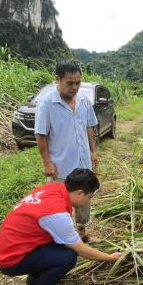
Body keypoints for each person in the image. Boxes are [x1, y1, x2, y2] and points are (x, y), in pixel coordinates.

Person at [0, 168, 121, 285]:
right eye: (89, 197)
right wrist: (110, 258)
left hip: (12, 247)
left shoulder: (53, 189)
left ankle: (37, 278)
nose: (88, 201)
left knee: (63, 246)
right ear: (79, 193)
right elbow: (82, 251)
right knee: (68, 256)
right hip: (11, 260)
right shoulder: (56, 214)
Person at [34, 60, 99, 234]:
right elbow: (41, 135)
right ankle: (64, 236)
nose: (75, 87)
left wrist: (93, 152)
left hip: (83, 164)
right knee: (60, 204)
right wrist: (47, 163)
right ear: (58, 79)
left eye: (78, 83)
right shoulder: (47, 104)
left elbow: (89, 127)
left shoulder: (85, 101)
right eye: (70, 83)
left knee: (85, 200)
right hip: (61, 168)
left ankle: (83, 231)